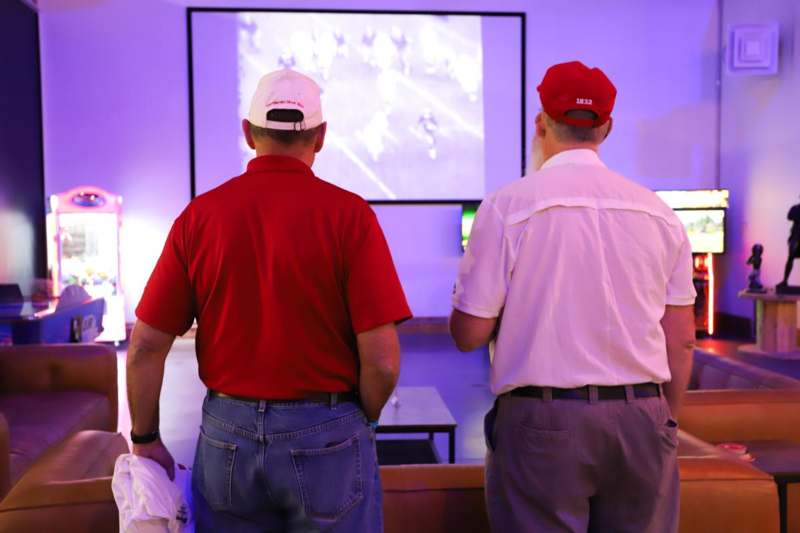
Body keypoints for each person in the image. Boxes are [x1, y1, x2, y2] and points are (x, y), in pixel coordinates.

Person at [126, 69, 411, 532]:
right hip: (328, 431)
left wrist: (145, 438)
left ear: (247, 133)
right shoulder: (350, 216)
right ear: (320, 137)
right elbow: (383, 363)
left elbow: (143, 348)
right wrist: (364, 423)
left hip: (226, 437)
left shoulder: (200, 217)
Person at [450, 61, 696, 533]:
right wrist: (664, 418)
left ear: (540, 123)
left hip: (542, 420)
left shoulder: (508, 207)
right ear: (607, 127)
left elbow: (468, 334)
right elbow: (681, 339)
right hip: (641, 415)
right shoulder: (659, 213)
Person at [778, 198, 800, 289]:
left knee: (790, 258)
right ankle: (785, 280)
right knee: (790, 258)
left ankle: (784, 281)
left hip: (796, 235)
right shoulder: (795, 208)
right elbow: (789, 216)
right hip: (795, 236)